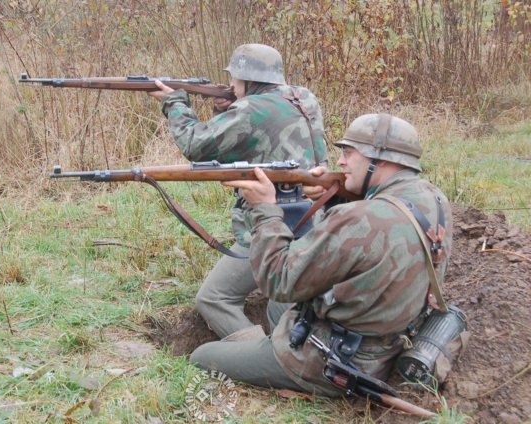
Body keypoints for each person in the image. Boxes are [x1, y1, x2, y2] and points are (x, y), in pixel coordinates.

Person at [189, 114, 453, 395]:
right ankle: (267, 349)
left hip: (335, 362)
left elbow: (278, 281)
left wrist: (265, 209)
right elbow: (374, 235)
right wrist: (334, 197)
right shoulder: (435, 199)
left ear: (381, 159)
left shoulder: (356, 218)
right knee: (276, 309)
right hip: (388, 338)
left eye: (349, 153)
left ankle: (271, 358)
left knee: (202, 356)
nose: (340, 162)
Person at [148, 44, 328, 338]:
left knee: (213, 299)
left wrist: (174, 103)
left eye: (234, 77)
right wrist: (227, 109)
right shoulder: (303, 97)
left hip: (273, 221)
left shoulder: (248, 109)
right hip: (316, 217)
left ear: (247, 78)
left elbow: (196, 145)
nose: (230, 83)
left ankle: (259, 353)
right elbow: (255, 134)